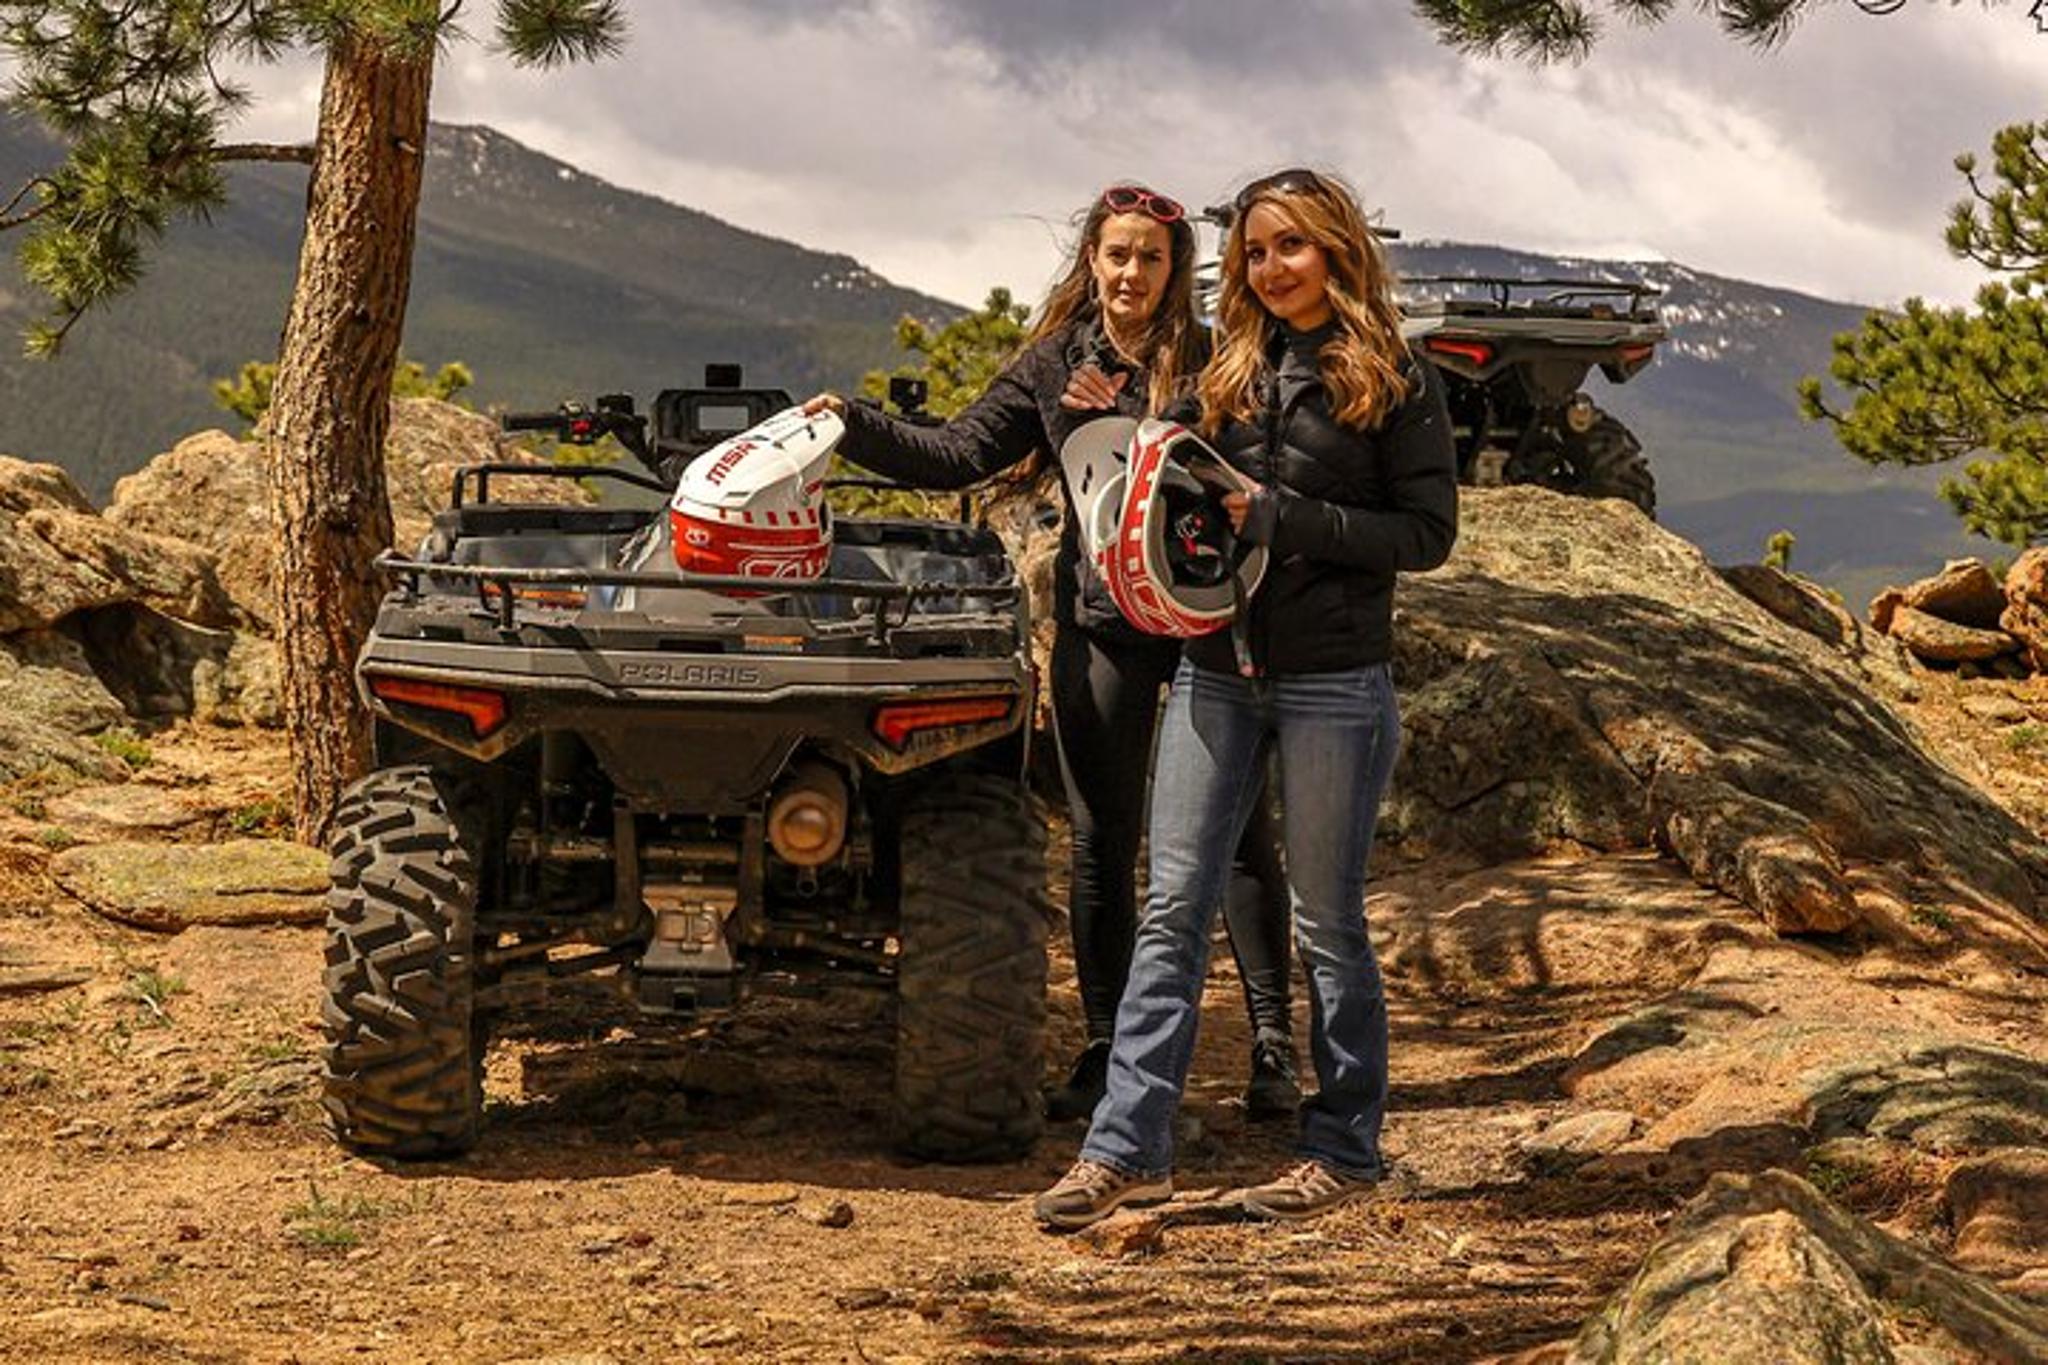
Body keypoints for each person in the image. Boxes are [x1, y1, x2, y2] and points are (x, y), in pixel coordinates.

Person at [803, 184, 1301, 1123]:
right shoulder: (1054, 365)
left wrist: (1170, 410)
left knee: (1238, 830)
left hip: (1207, 620)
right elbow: (957, 452)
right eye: (1117, 255)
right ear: (1092, 262)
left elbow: (1263, 470)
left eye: (1151, 258)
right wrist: (851, 425)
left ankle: (1274, 1048)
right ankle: (1110, 1046)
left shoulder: (1218, 358)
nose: (1131, 273)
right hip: (1102, 621)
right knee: (1103, 838)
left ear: (1175, 271)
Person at [1033, 168, 1458, 1228]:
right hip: (1215, 672)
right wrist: (1106, 420)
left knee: (1327, 923)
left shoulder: (1395, 375)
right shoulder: (1223, 370)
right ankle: (1126, 1150)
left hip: (1334, 682)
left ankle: (1343, 1150)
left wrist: (1280, 515)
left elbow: (1426, 536)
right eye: (1255, 252)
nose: (1270, 269)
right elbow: (1161, 460)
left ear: (1336, 250)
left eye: (1289, 247)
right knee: (1172, 908)